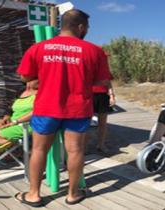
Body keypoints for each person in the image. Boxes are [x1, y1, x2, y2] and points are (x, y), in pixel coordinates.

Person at [14, 9, 112, 207]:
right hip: (78, 108)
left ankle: (33, 195)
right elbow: (102, 80)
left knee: (39, 149)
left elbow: (25, 76)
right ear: (81, 27)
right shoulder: (94, 51)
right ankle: (73, 194)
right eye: (88, 28)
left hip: (46, 107)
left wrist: (44, 78)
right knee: (75, 150)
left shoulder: (38, 48)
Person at [0, 80, 38, 150]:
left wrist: (16, 122)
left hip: (26, 125)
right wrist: (8, 115)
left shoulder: (43, 93)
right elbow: (11, 107)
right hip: (11, 123)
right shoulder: (21, 91)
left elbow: (37, 112)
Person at [92, 50, 116, 153]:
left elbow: (108, 83)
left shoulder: (105, 69)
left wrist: (112, 96)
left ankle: (101, 144)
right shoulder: (88, 66)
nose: (106, 59)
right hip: (90, 95)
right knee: (85, 123)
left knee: (103, 123)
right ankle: (82, 147)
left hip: (103, 96)